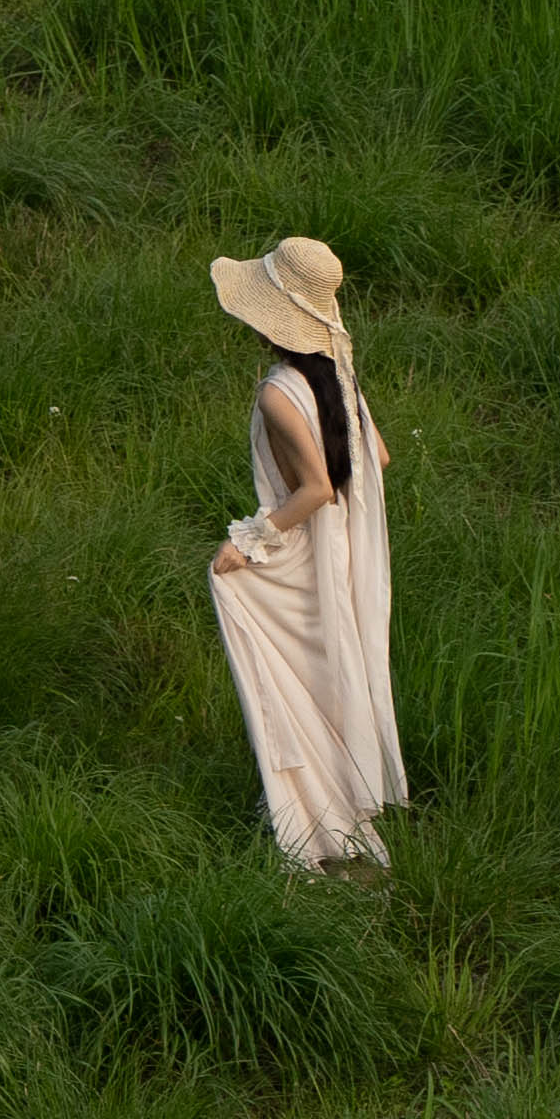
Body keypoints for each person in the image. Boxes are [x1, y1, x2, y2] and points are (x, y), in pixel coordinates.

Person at [203, 233, 403, 870]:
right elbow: (377, 458)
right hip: (341, 549)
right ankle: (326, 791)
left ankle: (313, 809)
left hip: (305, 549)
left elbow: (314, 489)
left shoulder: (277, 391)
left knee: (246, 609)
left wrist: (248, 544)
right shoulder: (336, 377)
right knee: (328, 666)